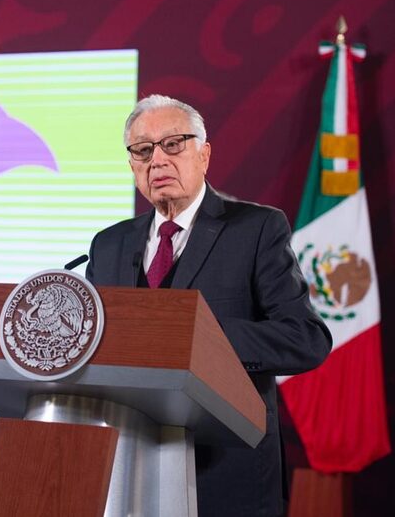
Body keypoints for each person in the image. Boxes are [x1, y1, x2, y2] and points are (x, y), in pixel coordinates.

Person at [85, 95, 332, 517]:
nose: (157, 160)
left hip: (225, 474)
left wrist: (198, 338)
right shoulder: (108, 244)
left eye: (174, 144)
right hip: (124, 472)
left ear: (204, 154)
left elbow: (306, 339)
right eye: (143, 150)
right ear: (132, 167)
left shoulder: (257, 229)